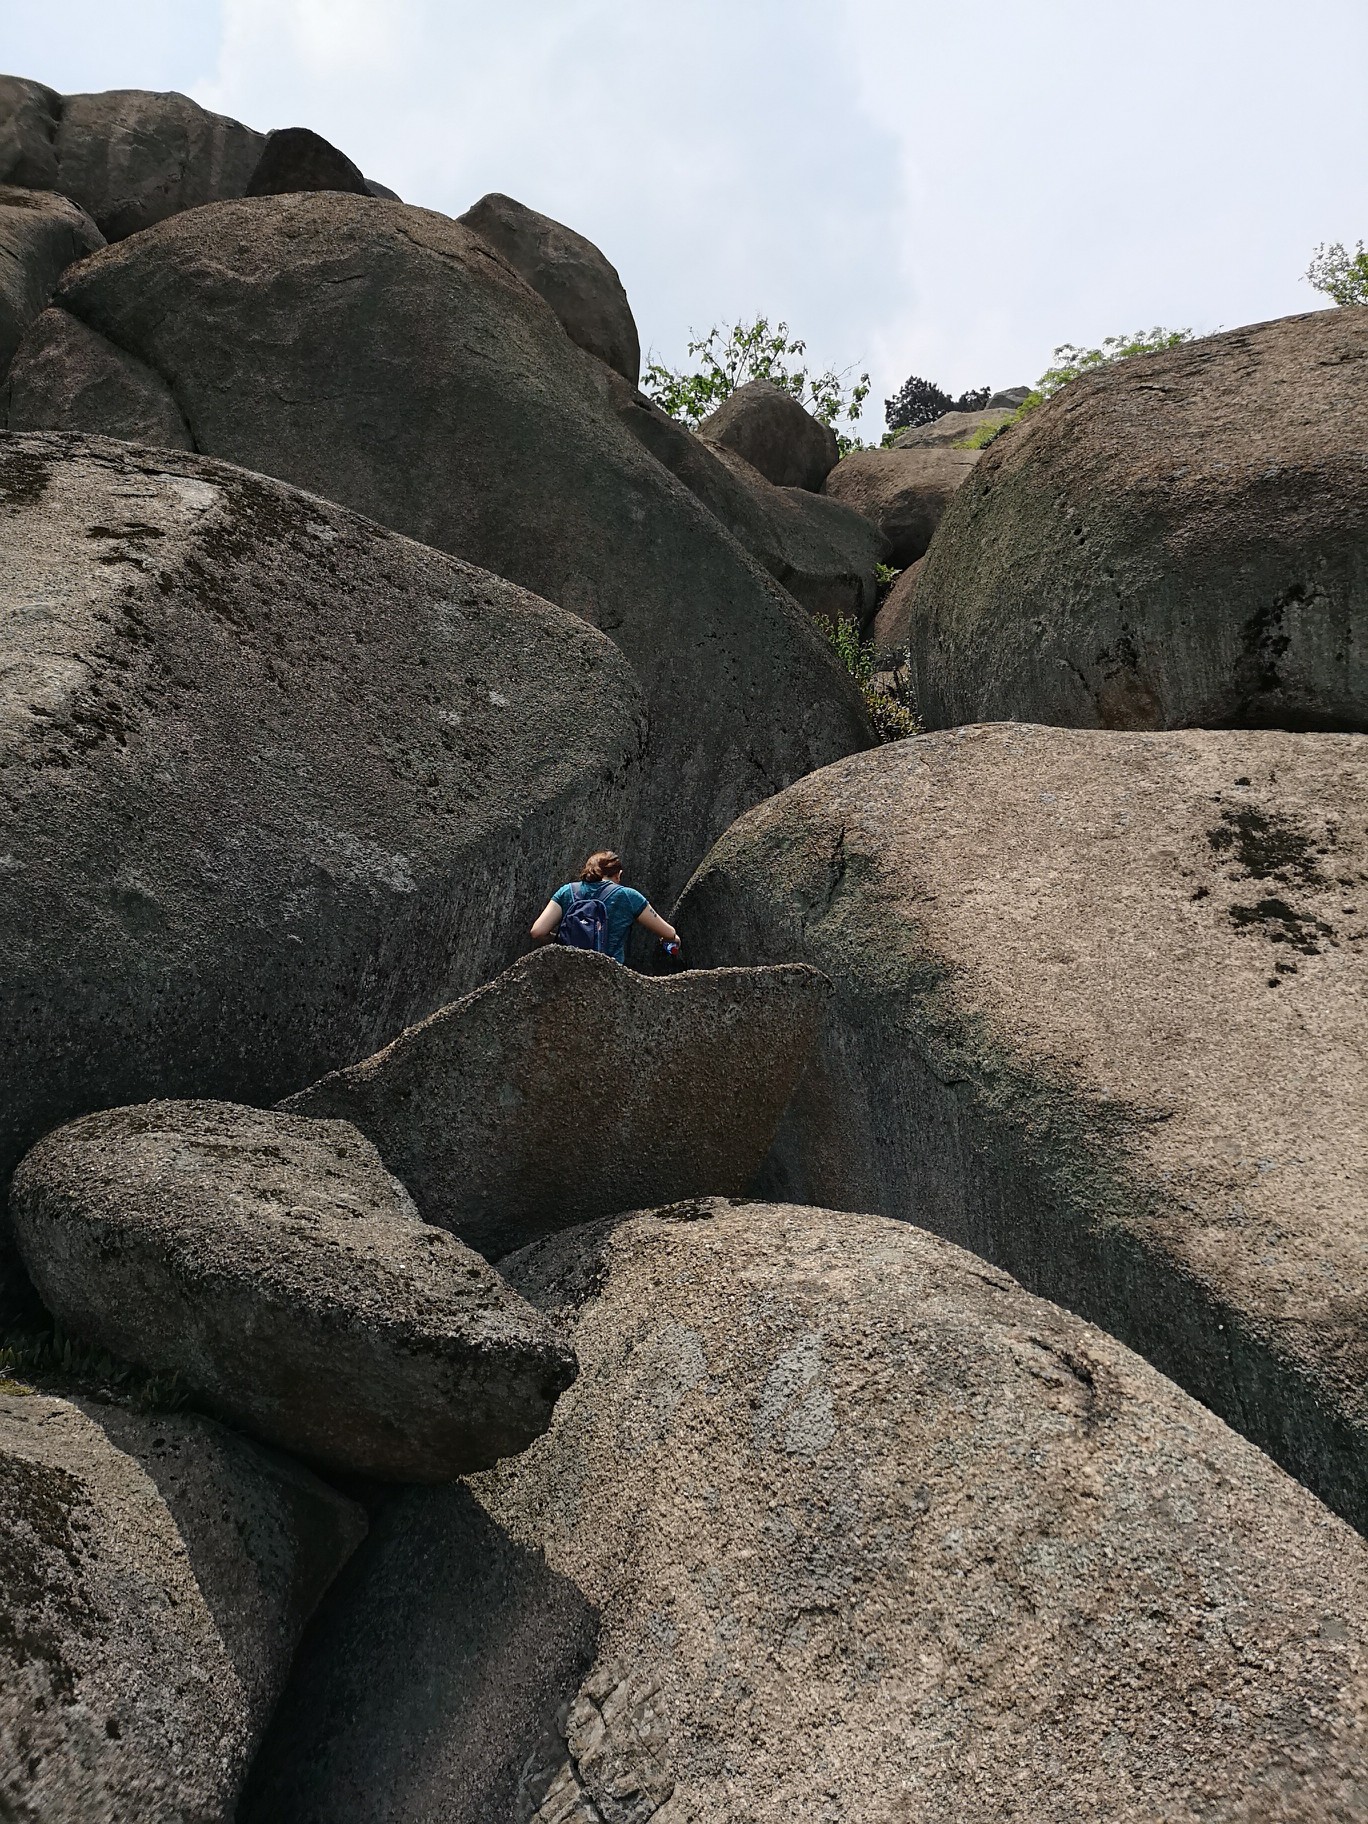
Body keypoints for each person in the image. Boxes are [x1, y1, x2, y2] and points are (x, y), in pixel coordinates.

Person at [530, 849, 681, 964]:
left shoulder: (567, 891)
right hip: (607, 974)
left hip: (568, 969)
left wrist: (561, 943)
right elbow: (668, 932)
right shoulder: (628, 896)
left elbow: (538, 931)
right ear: (618, 874)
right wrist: (672, 939)